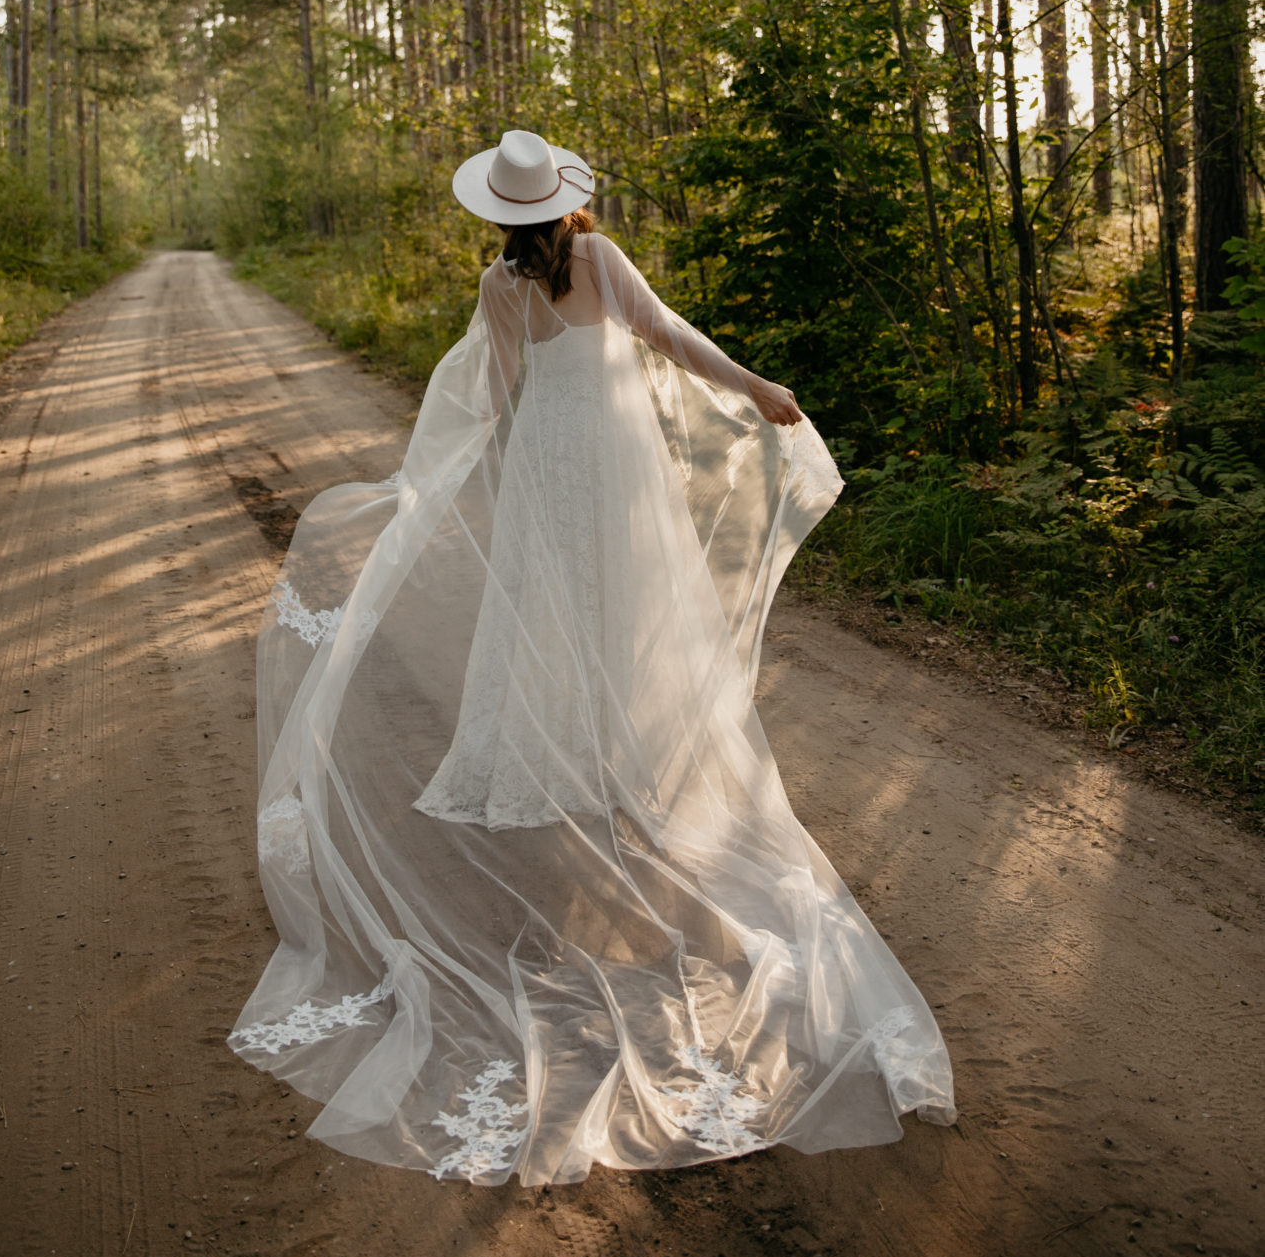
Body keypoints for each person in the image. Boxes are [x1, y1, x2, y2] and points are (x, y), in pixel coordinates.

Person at [229, 129, 955, 1184]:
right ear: (564, 200)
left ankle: (560, 743)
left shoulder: (497, 283)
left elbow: (507, 388)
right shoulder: (603, 261)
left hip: (548, 465)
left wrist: (481, 476)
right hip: (616, 460)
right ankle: (627, 745)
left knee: (553, 606)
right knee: (634, 605)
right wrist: (757, 386)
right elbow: (666, 337)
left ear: (498, 215)